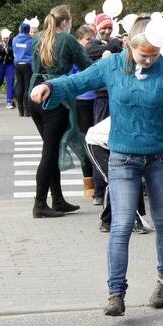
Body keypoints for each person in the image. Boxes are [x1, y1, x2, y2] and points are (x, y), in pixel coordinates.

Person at [30, 15, 163, 316]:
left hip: (160, 157)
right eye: (143, 54)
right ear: (128, 46)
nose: (149, 60)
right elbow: (77, 81)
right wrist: (50, 87)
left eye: (155, 55)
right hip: (123, 157)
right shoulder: (111, 66)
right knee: (121, 224)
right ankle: (116, 293)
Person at [29, 5, 94, 219]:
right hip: (55, 95)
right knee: (50, 151)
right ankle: (40, 203)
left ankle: (57, 199)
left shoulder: (38, 37)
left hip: (34, 93)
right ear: (65, 22)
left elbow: (34, 66)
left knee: (52, 148)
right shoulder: (67, 41)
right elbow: (87, 66)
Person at [85, 14, 124, 205]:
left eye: (110, 28)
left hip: (117, 95)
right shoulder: (92, 45)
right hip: (101, 98)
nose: (107, 31)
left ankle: (117, 186)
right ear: (96, 28)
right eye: (104, 28)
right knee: (100, 141)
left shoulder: (116, 44)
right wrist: (113, 46)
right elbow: (91, 52)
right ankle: (99, 190)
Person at [72, 24, 100, 199]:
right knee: (84, 141)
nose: (91, 43)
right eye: (88, 40)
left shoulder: (98, 52)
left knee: (98, 141)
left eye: (92, 39)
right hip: (81, 101)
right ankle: (88, 182)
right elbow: (70, 77)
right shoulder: (75, 56)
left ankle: (99, 182)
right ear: (79, 41)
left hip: (97, 99)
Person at [12, 22, 35, 117]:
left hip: (17, 64)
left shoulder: (14, 39)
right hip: (27, 65)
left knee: (20, 85)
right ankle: (27, 110)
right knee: (27, 87)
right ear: (28, 30)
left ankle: (20, 109)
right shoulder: (30, 40)